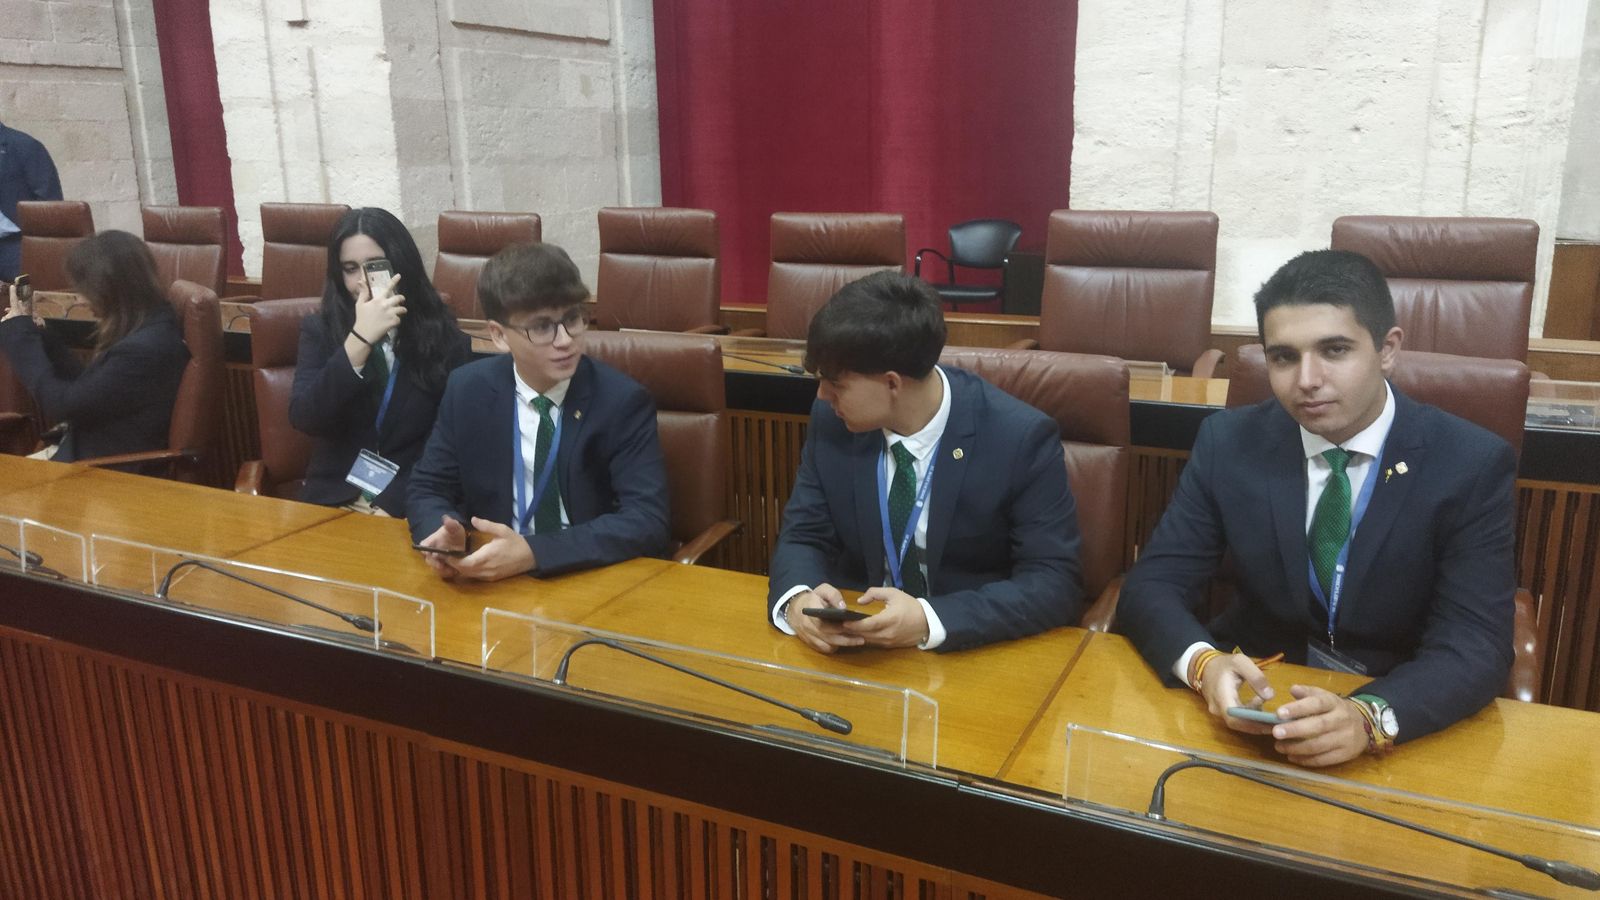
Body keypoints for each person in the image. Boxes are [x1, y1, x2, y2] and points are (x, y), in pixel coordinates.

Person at [1118, 249, 1515, 768]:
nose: (1306, 379)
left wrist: (1370, 717)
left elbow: (1475, 646)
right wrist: (1203, 664)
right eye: (1283, 357)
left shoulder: (1469, 463)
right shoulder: (1230, 441)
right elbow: (1153, 585)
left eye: (1334, 350)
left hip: (1395, 710)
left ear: (1388, 349)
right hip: (1252, 704)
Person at [767, 271, 1083, 654]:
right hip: (854, 651)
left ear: (893, 383)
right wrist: (799, 602)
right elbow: (804, 535)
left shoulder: (1019, 438)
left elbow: (1053, 582)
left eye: (836, 384)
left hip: (968, 654)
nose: (821, 396)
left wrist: (931, 619)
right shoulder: (832, 422)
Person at [407, 241, 669, 581]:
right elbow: (427, 487)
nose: (564, 340)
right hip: (493, 575)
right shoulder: (467, 390)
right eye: (542, 327)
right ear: (499, 336)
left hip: (586, 574)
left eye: (573, 318)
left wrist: (534, 553)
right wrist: (442, 533)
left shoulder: (621, 401)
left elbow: (647, 518)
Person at [289, 207, 471, 516]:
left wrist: (393, 505)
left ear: (402, 265)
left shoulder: (447, 340)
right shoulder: (320, 330)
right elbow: (306, 417)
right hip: (333, 500)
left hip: (409, 502)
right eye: (349, 268)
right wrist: (359, 340)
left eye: (374, 266)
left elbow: (448, 442)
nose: (363, 282)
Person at [0, 230, 187, 466]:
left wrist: (20, 339)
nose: (82, 300)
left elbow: (63, 405)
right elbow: (88, 389)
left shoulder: (143, 350)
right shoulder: (151, 326)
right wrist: (40, 337)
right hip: (89, 453)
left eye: (84, 291)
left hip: (108, 472)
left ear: (107, 290)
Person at [0, 119, 63, 281]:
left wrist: (40, 246)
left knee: (31, 301)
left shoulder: (24, 146)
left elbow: (50, 203)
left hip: (16, 246)